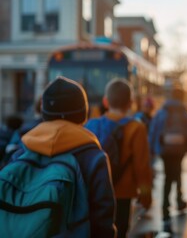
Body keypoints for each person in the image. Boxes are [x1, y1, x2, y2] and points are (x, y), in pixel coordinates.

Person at [5, 76, 116, 237]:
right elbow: (102, 218)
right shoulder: (94, 158)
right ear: (83, 113)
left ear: (44, 113)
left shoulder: (21, 152)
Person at [85, 78, 153, 238]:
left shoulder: (91, 125)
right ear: (130, 103)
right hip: (123, 194)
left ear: (105, 101)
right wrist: (145, 195)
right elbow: (141, 166)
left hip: (96, 192)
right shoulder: (136, 127)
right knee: (119, 231)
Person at [149, 86, 187, 233]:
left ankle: (165, 209)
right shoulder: (184, 113)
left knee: (167, 178)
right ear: (181, 97)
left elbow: (153, 130)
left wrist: (151, 151)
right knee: (176, 174)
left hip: (165, 150)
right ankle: (179, 200)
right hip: (179, 150)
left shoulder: (163, 111)